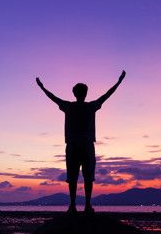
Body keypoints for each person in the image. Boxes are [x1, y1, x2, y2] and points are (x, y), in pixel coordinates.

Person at [36, 70, 126, 213]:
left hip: (73, 145)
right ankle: (86, 205)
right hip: (86, 145)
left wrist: (41, 87)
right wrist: (119, 82)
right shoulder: (90, 106)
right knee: (87, 176)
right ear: (85, 93)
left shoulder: (69, 106)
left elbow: (52, 97)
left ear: (74, 94)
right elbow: (107, 95)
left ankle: (73, 205)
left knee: (72, 176)